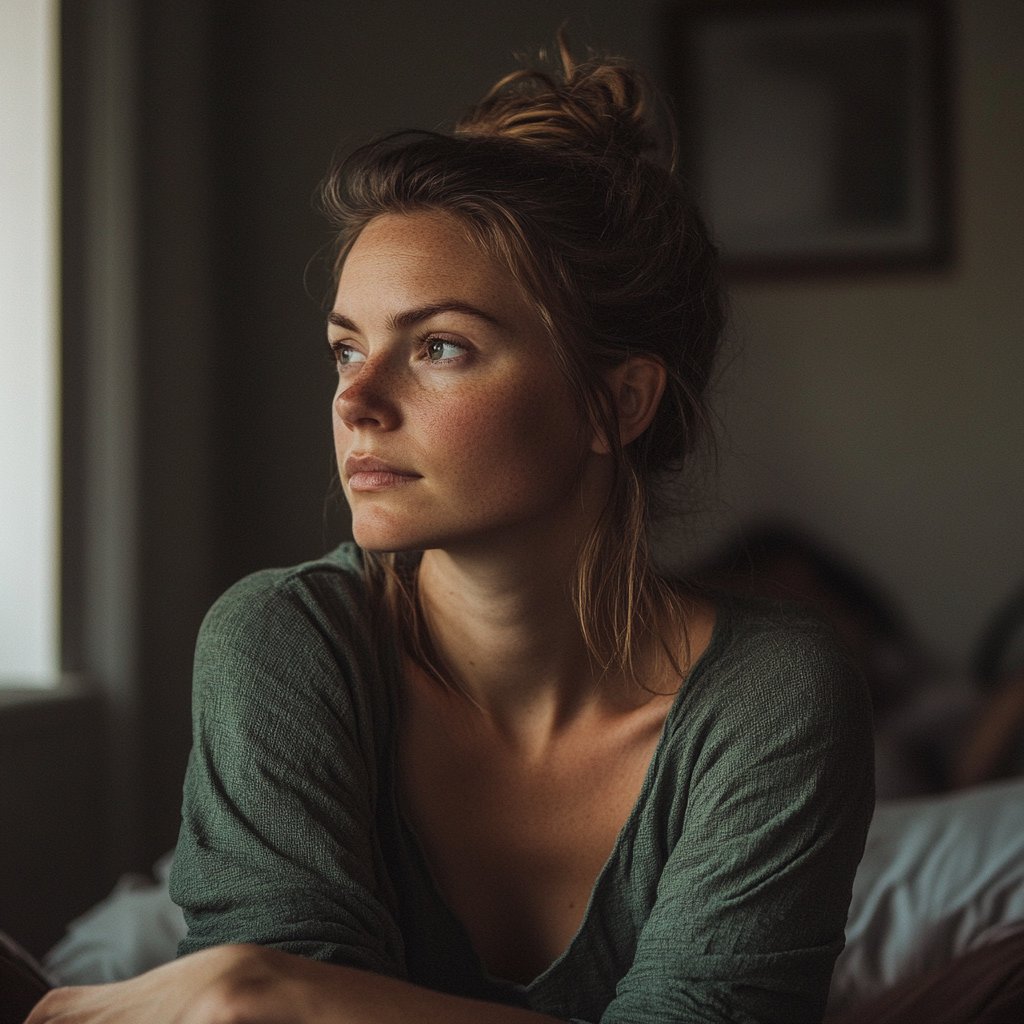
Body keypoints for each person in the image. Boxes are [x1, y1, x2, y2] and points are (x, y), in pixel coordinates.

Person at [26, 37, 873, 1024]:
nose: (356, 401)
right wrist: (270, 993)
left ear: (618, 401)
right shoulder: (282, 640)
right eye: (346, 348)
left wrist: (271, 989)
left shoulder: (772, 693)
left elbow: (267, 1006)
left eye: (438, 346)